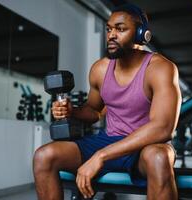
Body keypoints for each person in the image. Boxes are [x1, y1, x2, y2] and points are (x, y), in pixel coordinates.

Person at [33, 4, 181, 200]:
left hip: (145, 146)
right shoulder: (100, 69)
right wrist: (72, 111)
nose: (111, 35)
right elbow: (94, 112)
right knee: (44, 156)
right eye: (109, 28)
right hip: (108, 139)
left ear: (141, 35)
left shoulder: (161, 69)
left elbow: (163, 128)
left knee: (159, 157)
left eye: (120, 29)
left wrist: (100, 156)